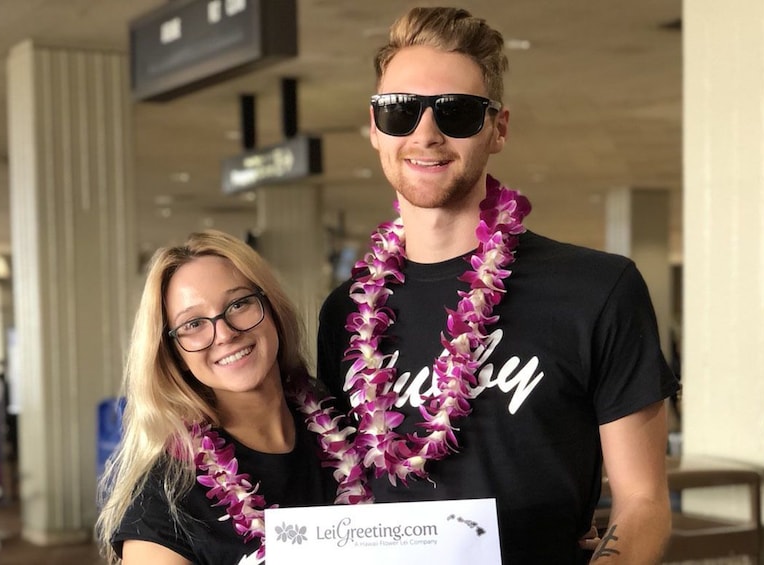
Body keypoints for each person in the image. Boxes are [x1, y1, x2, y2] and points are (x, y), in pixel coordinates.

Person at [317, 7, 680, 564]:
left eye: (458, 112)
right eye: (400, 111)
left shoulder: (597, 290)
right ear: (374, 127)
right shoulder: (343, 312)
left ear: (498, 129)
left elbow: (644, 502)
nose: (426, 132)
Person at [96, 230, 368, 565]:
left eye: (239, 304)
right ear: (173, 352)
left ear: (271, 308)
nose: (225, 333)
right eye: (193, 324)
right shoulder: (166, 492)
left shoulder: (343, 425)